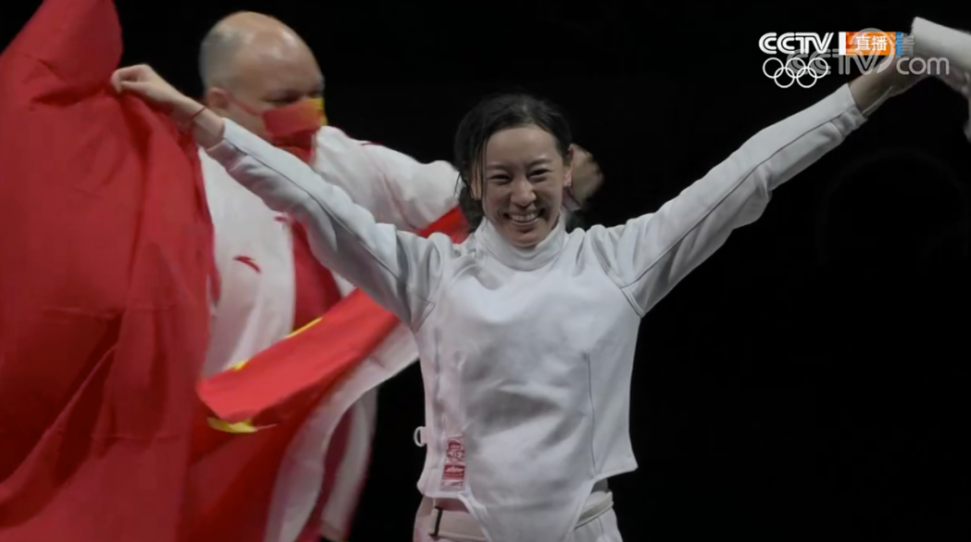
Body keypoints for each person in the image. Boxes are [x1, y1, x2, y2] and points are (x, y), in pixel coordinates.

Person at [109, 27, 933, 538]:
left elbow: (751, 172)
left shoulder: (625, 259)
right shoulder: (426, 271)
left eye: (538, 174)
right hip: (456, 531)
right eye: (500, 178)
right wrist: (201, 122)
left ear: (564, 179)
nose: (521, 195)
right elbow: (307, 195)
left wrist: (867, 88)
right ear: (474, 183)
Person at [191, 11, 605, 542]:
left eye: (315, 93)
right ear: (219, 103)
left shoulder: (341, 156)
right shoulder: (183, 189)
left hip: (326, 443)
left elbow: (465, 199)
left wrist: (548, 186)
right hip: (219, 440)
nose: (307, 114)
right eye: (282, 100)